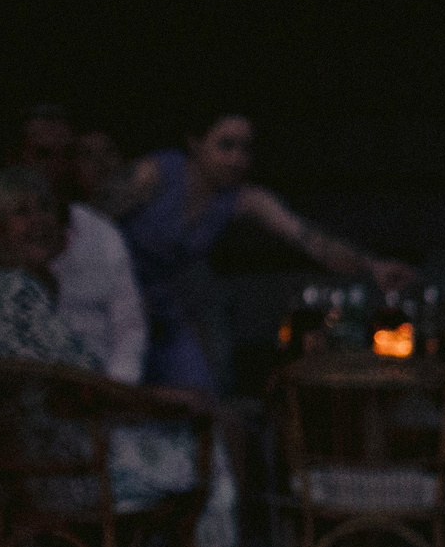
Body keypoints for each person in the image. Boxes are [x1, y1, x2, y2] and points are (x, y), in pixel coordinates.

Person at [0, 169, 273, 547]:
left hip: (44, 465)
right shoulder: (14, 293)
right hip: (70, 471)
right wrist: (165, 399)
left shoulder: (6, 292)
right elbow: (81, 386)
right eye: (21, 213)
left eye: (44, 210)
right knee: (220, 429)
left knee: (207, 420)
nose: (40, 221)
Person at [111, 110, 416, 393]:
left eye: (245, 149)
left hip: (159, 305)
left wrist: (372, 265)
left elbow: (309, 239)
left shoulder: (239, 198)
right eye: (226, 146)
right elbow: (92, 221)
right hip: (111, 293)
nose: (236, 159)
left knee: (198, 388)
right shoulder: (155, 174)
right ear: (196, 143)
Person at [0, 105, 147, 384]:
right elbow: (74, 375)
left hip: (99, 395)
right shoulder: (12, 288)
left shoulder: (101, 233)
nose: (58, 167)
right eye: (43, 154)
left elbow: (129, 327)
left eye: (68, 154)